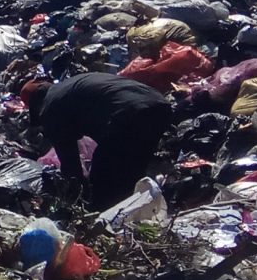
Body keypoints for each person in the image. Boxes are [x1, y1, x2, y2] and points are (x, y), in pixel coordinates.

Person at [24, 71, 175, 208]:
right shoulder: (72, 85)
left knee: (103, 177)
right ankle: (142, 211)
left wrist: (76, 199)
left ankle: (107, 221)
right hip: (159, 106)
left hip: (128, 116)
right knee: (132, 170)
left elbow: (71, 166)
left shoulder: (50, 108)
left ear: (36, 105)